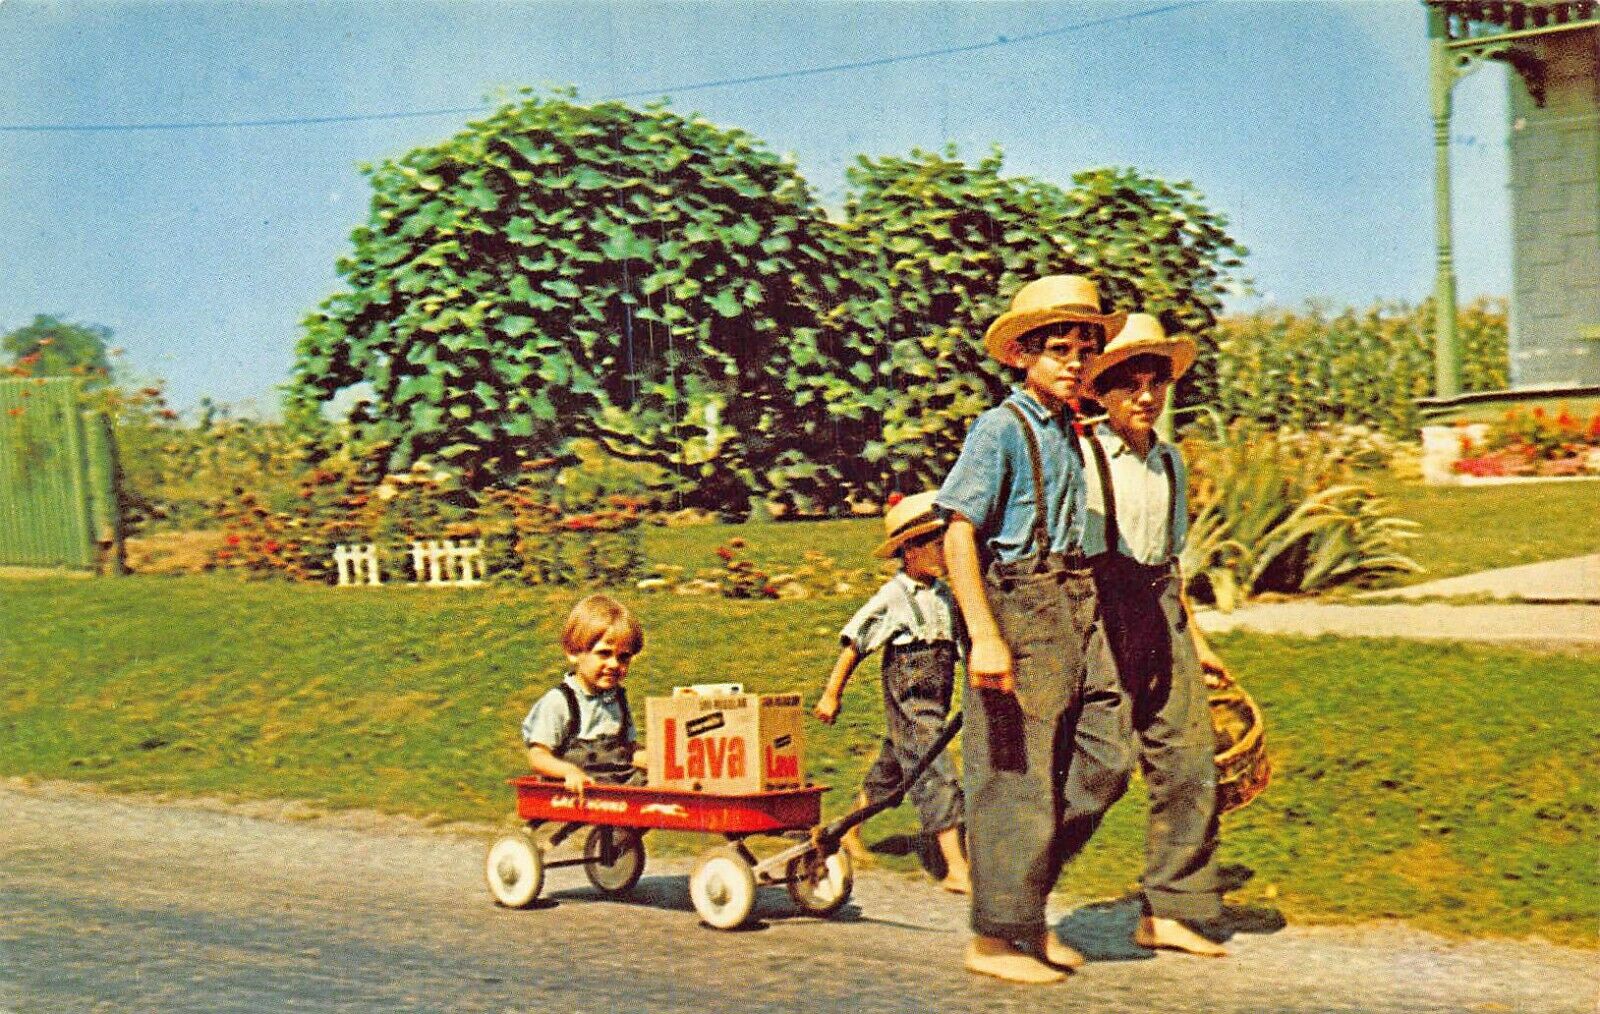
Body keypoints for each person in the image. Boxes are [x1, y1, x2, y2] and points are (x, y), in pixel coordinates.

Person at [936, 274, 1136, 985]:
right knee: (1016, 779)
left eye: (1085, 349)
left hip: (1076, 601)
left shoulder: (1067, 431)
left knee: (1108, 756)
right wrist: (986, 634)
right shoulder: (1000, 429)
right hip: (1019, 605)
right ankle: (996, 938)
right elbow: (958, 533)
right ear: (1023, 355)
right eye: (1058, 349)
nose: (1075, 363)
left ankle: (1022, 905)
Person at [1078, 313, 1232, 958]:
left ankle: (1170, 907)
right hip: (1095, 610)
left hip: (1159, 610)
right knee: (1102, 764)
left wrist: (1197, 641)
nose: (1146, 397)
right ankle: (1015, 883)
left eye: (1156, 383)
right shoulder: (1080, 455)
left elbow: (1170, 565)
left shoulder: (1170, 461)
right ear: (1101, 391)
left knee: (1190, 760)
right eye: (1130, 384)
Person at [813, 491, 972, 895]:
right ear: (910, 550)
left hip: (936, 697)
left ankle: (844, 830)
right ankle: (956, 867)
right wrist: (832, 693)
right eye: (937, 545)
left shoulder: (945, 595)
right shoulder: (894, 597)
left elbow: (960, 644)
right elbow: (856, 643)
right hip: (910, 694)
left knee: (896, 766)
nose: (945, 553)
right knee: (935, 768)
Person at [520, 594, 647, 792]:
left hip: (616, 790)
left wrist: (657, 761)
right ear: (573, 652)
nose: (614, 664)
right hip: (577, 796)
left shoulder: (618, 700)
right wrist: (569, 772)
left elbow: (628, 752)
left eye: (623, 657)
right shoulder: (560, 702)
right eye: (604, 653)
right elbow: (538, 756)